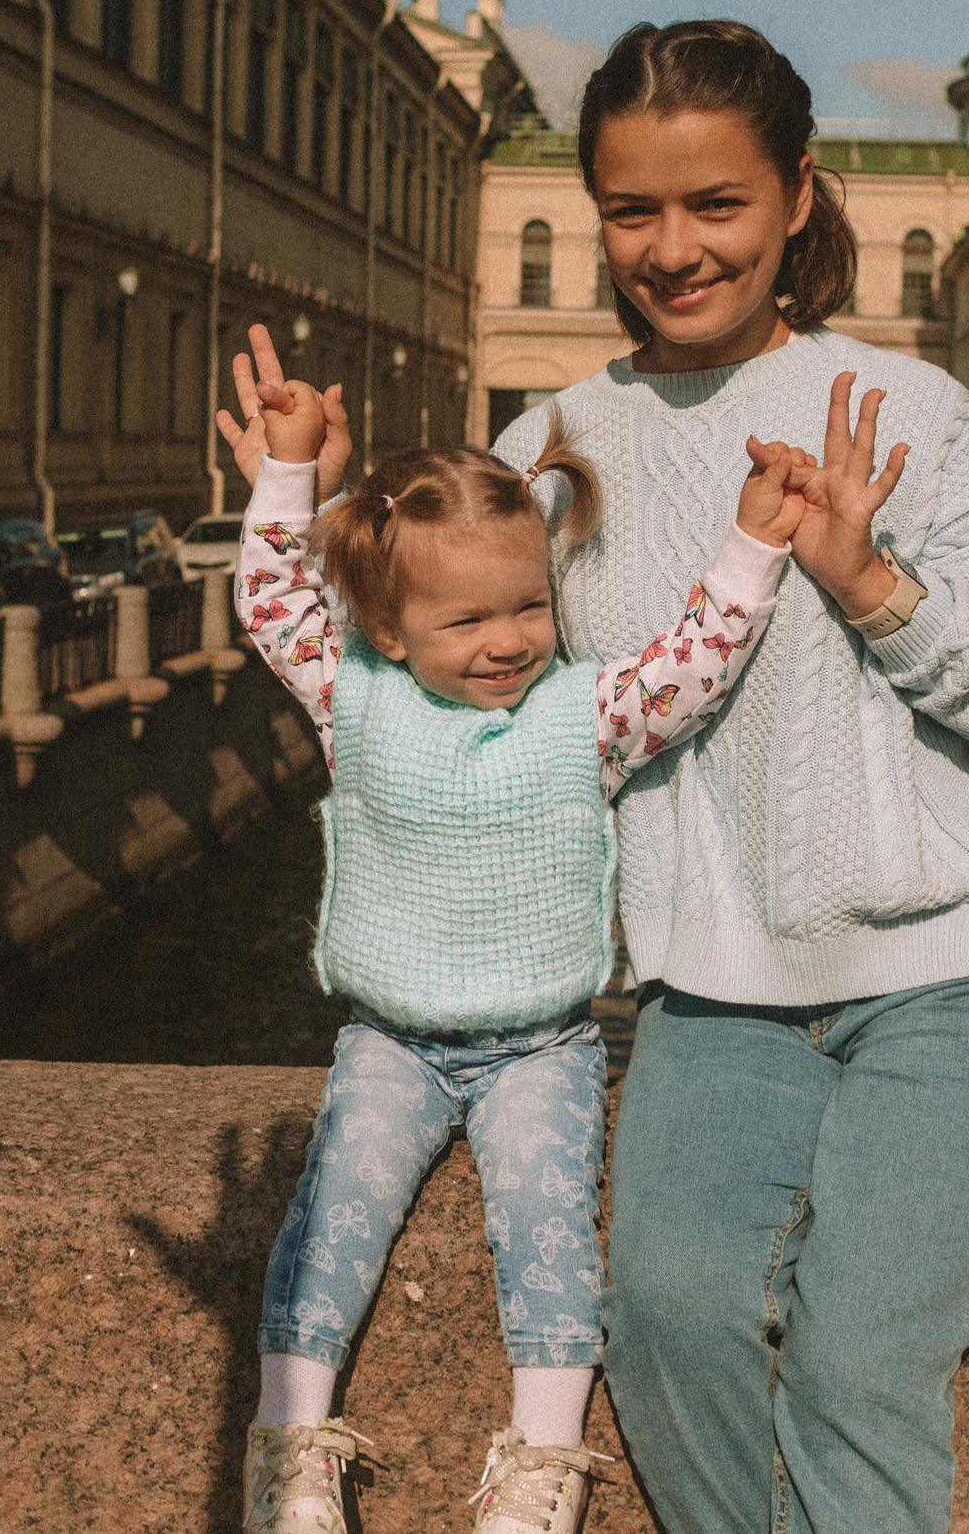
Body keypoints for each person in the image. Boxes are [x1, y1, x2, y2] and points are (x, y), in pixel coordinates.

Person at [485, 19, 969, 1533]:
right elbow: (481, 723)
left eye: (716, 206)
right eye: (633, 209)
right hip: (709, 981)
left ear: (798, 198)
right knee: (673, 1313)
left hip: (949, 965)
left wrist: (869, 577)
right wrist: (308, 521)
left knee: (864, 1355)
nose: (671, 250)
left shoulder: (907, 411)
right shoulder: (548, 444)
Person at [217, 323, 824, 1534]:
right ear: (388, 631)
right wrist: (288, 479)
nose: (505, 642)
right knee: (333, 1212)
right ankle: (291, 1440)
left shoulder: (583, 714)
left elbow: (693, 663)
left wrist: (754, 540)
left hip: (545, 1042)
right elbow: (273, 595)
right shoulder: (354, 694)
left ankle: (542, 1463)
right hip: (391, 1035)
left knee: (549, 1235)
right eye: (465, 624)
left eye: (527, 608)